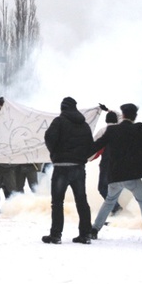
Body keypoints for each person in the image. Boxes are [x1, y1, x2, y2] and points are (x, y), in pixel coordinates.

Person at [88, 102, 142, 243]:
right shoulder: (138, 129)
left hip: (115, 175)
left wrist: (78, 150)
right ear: (135, 116)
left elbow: (96, 145)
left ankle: (94, 229)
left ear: (122, 115)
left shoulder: (112, 131)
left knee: (109, 202)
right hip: (132, 175)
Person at [42, 96, 94, 244]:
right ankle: (85, 234)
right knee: (81, 201)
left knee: (57, 203)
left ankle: (56, 235)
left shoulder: (58, 122)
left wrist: (55, 154)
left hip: (61, 167)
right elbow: (90, 145)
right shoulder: (84, 125)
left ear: (62, 108)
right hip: (78, 167)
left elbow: (49, 138)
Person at [91, 108, 122, 214]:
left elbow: (93, 146)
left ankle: (116, 208)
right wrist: (108, 110)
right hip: (122, 163)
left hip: (108, 163)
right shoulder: (122, 129)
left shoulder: (103, 131)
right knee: (117, 187)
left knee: (103, 187)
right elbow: (121, 116)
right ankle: (117, 209)